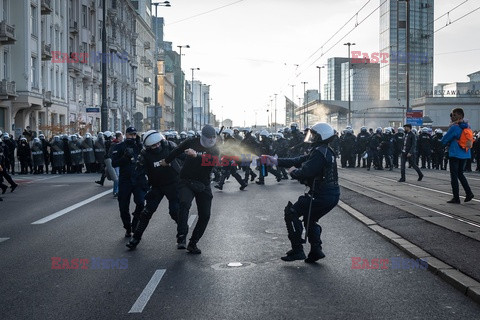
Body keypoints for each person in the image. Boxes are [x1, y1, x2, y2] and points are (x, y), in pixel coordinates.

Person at [263, 122, 340, 263]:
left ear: (322, 136)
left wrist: (293, 172)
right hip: (329, 195)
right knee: (310, 219)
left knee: (291, 212)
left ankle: (298, 250)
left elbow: (305, 172)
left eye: (314, 135)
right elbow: (298, 160)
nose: (311, 137)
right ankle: (316, 251)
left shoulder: (319, 153)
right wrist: (275, 161)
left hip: (322, 195)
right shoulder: (323, 150)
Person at [160, 125, 220, 254]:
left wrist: (196, 155)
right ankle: (181, 236)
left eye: (212, 138)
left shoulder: (215, 148)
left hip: (203, 183)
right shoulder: (191, 142)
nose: (210, 141)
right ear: (202, 136)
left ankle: (193, 243)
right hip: (186, 180)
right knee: (184, 204)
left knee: (205, 215)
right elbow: (177, 150)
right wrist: (166, 161)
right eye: (208, 138)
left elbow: (213, 162)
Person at [126, 130, 181, 249]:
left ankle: (182, 236)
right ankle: (136, 238)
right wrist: (144, 185)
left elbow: (184, 158)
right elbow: (138, 172)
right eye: (153, 145)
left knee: (175, 211)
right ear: (148, 146)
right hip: (157, 186)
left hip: (173, 184)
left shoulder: (170, 146)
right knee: (146, 213)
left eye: (158, 144)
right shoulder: (144, 154)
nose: (157, 146)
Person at [111, 127, 147, 237]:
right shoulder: (119, 146)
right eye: (130, 135)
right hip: (125, 180)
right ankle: (127, 227)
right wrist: (125, 157)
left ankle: (135, 224)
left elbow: (147, 160)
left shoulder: (140, 146)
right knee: (123, 206)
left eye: (134, 135)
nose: (132, 137)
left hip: (138, 179)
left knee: (141, 203)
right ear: (126, 135)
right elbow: (114, 163)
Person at [441, 108, 474, 203]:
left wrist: (441, 145)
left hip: (455, 154)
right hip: (465, 154)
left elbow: (445, 139)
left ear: (460, 116)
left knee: (454, 176)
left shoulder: (454, 127)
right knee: (460, 174)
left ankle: (456, 198)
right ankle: (469, 193)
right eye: (452, 115)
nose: (452, 117)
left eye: (454, 115)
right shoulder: (468, 127)